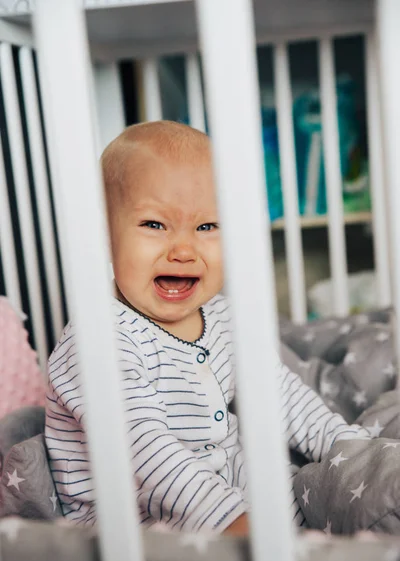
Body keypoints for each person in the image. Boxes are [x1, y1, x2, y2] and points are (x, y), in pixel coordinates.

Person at [46, 121, 370, 534]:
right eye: (154, 225)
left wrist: (346, 447)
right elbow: (146, 451)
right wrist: (231, 520)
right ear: (104, 235)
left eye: (206, 227)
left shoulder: (221, 317)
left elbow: (277, 392)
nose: (183, 250)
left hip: (224, 482)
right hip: (135, 518)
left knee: (317, 494)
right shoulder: (97, 342)